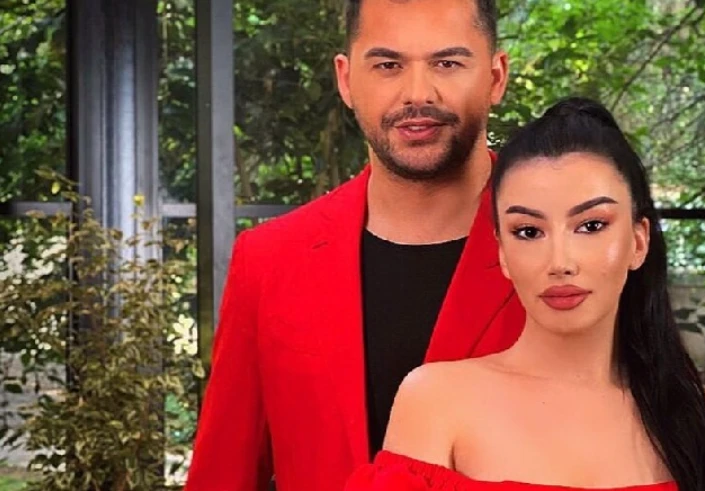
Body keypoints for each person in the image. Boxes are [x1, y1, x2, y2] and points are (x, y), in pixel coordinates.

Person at [343, 97, 705, 491]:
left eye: (591, 225)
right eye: (528, 231)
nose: (560, 261)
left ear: (638, 241)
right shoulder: (438, 403)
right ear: (502, 253)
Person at [183, 1, 526, 490]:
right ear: (345, 80)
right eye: (388, 65)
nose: (417, 93)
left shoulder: (565, 252)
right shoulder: (269, 260)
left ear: (495, 77)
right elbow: (222, 476)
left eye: (447, 63)